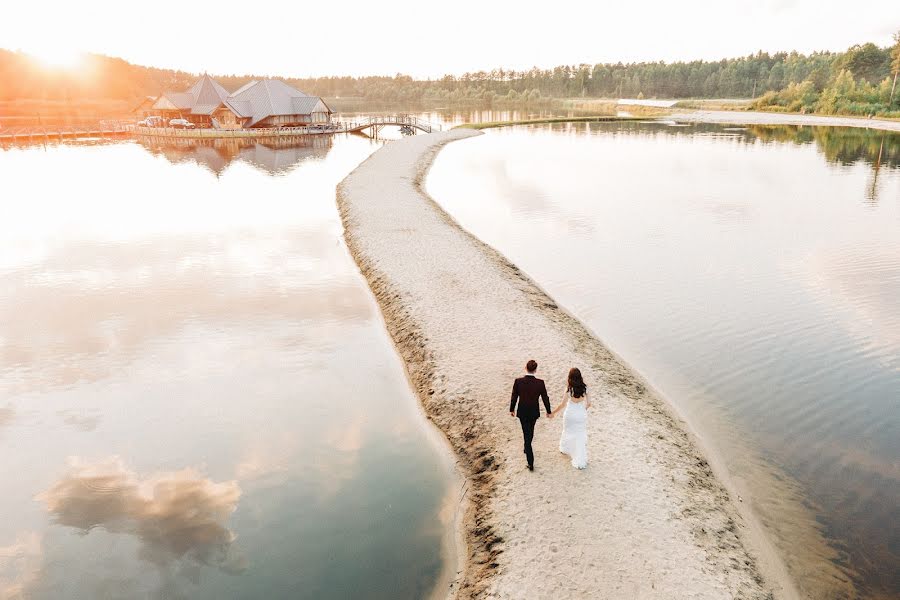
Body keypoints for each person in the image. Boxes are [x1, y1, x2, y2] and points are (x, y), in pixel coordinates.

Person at [509, 359, 552, 471]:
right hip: (534, 412)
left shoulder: (518, 381)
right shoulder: (540, 383)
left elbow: (514, 396)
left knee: (526, 433)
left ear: (525, 368)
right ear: (535, 370)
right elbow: (545, 398)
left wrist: (512, 409)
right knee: (530, 431)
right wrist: (548, 411)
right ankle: (526, 447)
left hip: (523, 412)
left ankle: (530, 462)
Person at [554, 367, 591, 469]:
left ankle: (565, 449)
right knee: (579, 434)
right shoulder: (585, 388)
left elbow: (562, 404)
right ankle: (579, 456)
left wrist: (553, 412)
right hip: (581, 415)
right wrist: (583, 410)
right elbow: (589, 404)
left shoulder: (569, 389)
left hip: (570, 415)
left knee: (568, 431)